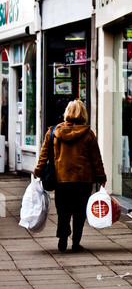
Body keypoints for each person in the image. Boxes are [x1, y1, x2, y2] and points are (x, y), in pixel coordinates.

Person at [34, 99, 107, 252]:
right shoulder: (88, 134)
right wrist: (101, 177)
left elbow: (43, 156)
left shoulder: (53, 132)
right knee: (80, 212)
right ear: (83, 114)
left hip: (61, 179)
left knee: (63, 210)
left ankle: (62, 237)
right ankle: (76, 243)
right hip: (83, 180)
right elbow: (96, 158)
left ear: (67, 113)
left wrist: (38, 171)